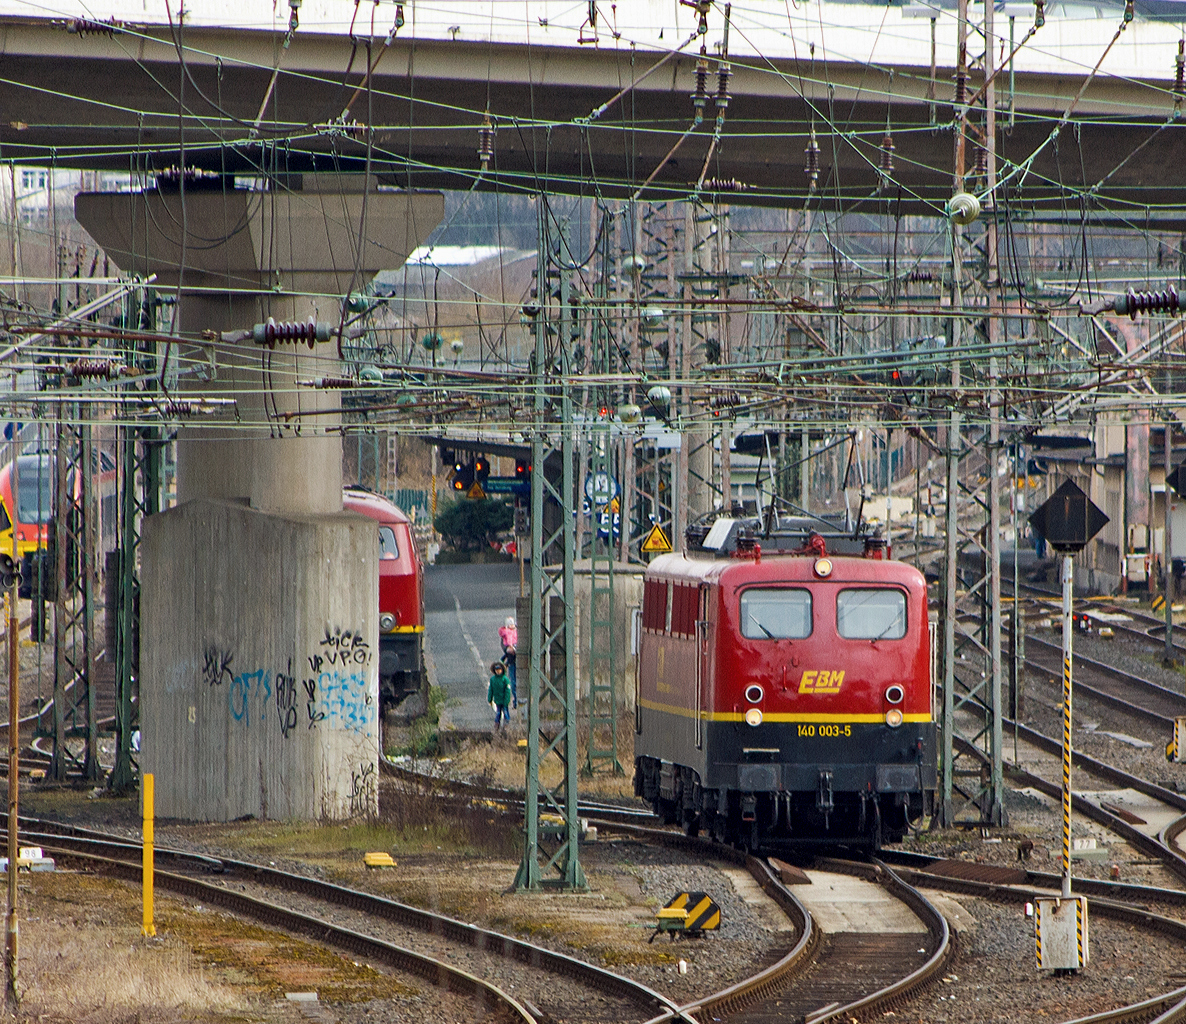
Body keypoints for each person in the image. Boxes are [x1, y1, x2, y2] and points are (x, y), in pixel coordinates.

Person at [498, 616, 518, 708]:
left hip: (512, 659)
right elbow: (505, 647)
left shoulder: (507, 633)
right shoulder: (511, 633)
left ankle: (516, 700)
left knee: (513, 680)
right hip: (512, 659)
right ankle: (516, 701)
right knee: (513, 681)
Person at [487, 662, 513, 730]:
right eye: (496, 670)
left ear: (502, 670)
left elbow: (508, 691)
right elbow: (491, 690)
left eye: (499, 670)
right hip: (497, 700)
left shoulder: (505, 679)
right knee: (498, 712)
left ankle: (506, 723)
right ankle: (497, 724)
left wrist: (507, 700)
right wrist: (489, 699)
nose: (498, 671)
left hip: (504, 700)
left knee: (505, 711)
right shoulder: (493, 679)